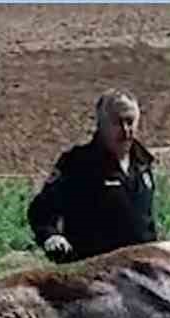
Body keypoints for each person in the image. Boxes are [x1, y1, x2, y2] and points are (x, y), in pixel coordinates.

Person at [27, 89, 157, 264]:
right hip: (92, 273)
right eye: (118, 123)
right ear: (101, 124)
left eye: (130, 121)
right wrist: (51, 236)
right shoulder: (78, 164)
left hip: (140, 270)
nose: (126, 130)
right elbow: (41, 211)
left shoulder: (142, 163)